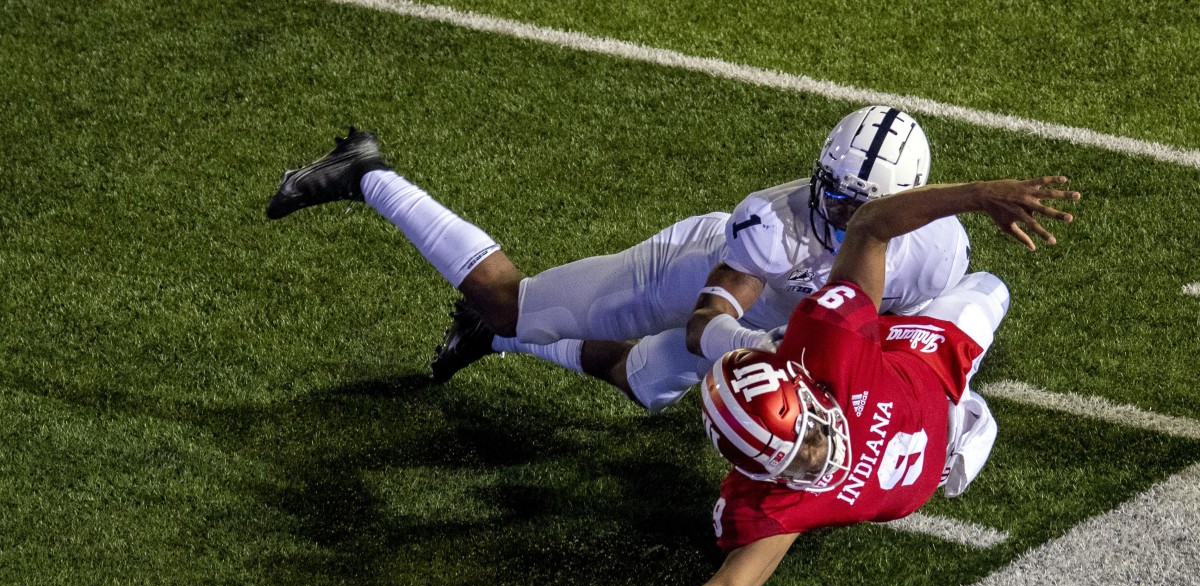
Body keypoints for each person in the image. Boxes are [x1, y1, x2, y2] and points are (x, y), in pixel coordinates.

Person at [600, 175, 1078, 586]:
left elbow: (870, 225)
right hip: (931, 441)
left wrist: (980, 195)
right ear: (755, 469)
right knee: (973, 443)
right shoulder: (769, 497)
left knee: (991, 288)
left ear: (810, 392)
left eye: (806, 437)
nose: (813, 458)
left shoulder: (831, 344)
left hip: (924, 361)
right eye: (788, 461)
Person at [266, 107, 972, 412]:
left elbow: (919, 339)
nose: (839, 213)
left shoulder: (937, 252)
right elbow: (708, 320)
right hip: (697, 277)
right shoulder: (773, 221)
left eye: (860, 205)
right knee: (515, 300)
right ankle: (367, 174)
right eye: (834, 193)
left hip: (777, 329)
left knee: (645, 384)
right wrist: (760, 349)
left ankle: (496, 341)